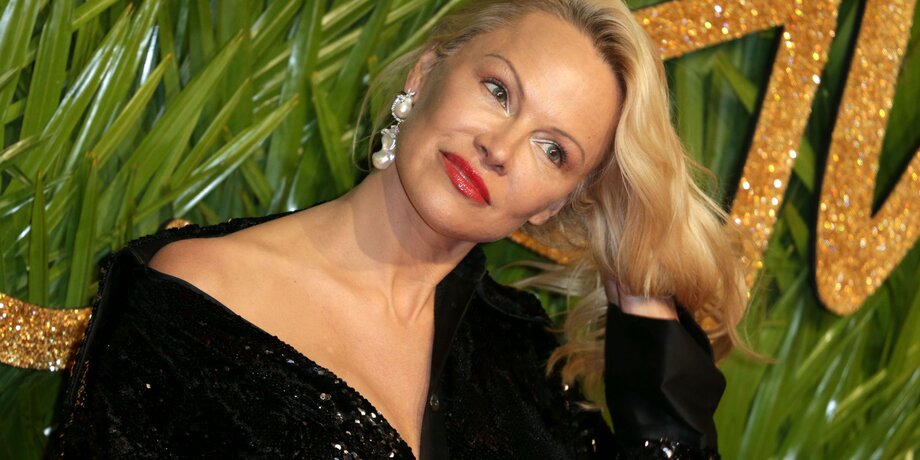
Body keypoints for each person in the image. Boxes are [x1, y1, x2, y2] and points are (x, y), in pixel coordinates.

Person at [50, 0, 745, 458]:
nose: (499, 148)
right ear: (426, 72)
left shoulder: (523, 362)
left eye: (553, 150)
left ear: (553, 204)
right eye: (498, 91)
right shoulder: (200, 293)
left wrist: (639, 289)